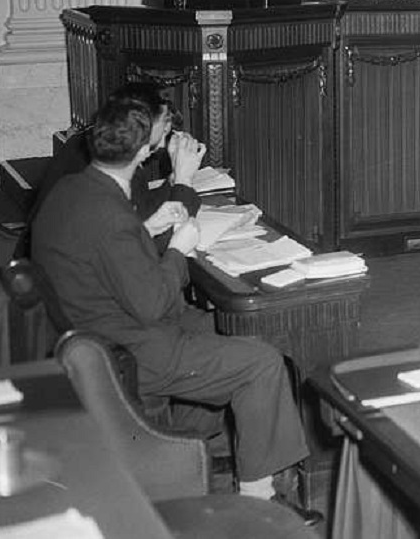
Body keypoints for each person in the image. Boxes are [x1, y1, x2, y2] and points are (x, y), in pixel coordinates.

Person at [33, 98, 310, 507]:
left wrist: (145, 229)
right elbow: (152, 304)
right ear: (144, 150)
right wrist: (179, 249)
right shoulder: (110, 215)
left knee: (241, 329)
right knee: (262, 363)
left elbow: (98, 253)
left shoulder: (73, 189)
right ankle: (258, 497)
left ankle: (189, 447)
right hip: (132, 346)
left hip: (96, 331)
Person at [27, 82, 205, 253]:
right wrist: (184, 180)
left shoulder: (105, 143)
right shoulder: (110, 160)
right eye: (165, 123)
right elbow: (156, 246)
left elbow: (140, 208)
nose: (168, 131)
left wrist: (175, 177)